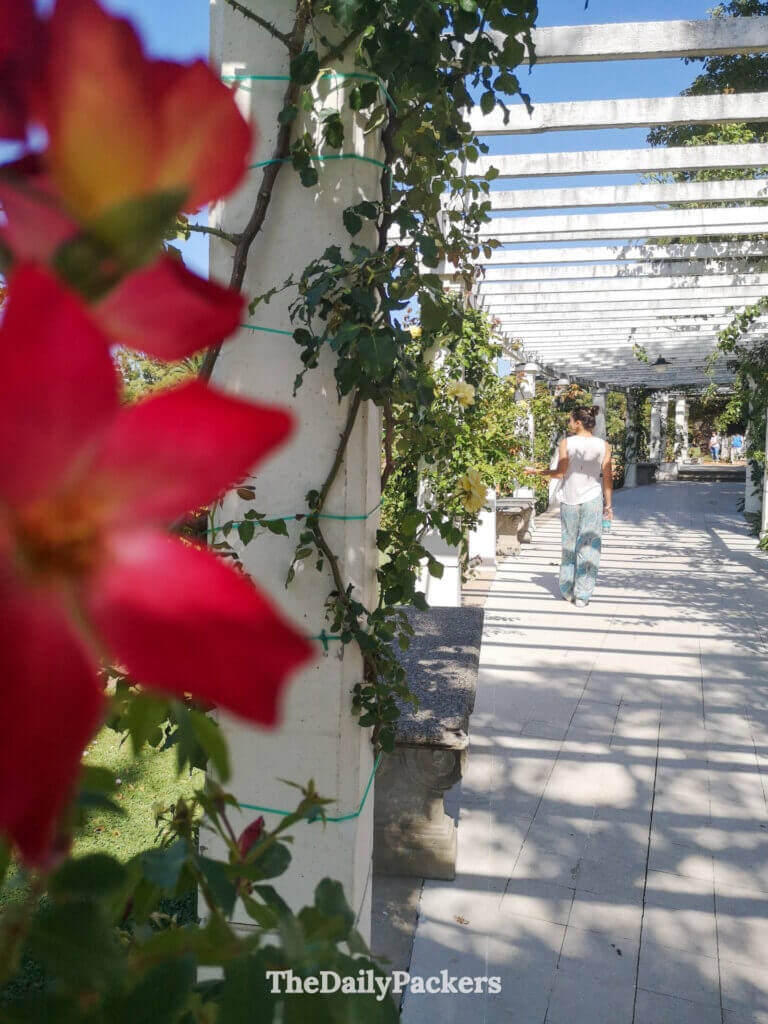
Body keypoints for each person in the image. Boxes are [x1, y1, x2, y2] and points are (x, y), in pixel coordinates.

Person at [526, 406, 613, 608]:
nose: (569, 424)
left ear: (578, 423)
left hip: (570, 499)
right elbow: (607, 477)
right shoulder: (603, 445)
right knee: (589, 547)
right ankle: (583, 595)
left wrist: (536, 472)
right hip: (593, 499)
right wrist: (609, 505)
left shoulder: (567, 442)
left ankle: (567, 590)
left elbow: (559, 473)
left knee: (569, 545)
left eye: (571, 420)